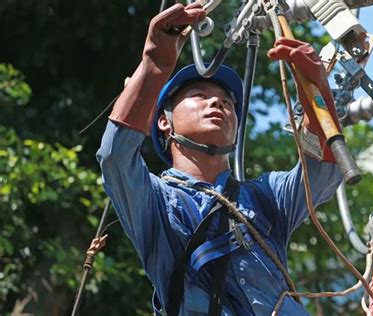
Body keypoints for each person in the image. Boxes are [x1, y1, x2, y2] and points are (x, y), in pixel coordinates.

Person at [97, 2, 342, 315]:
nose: (217, 102)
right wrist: (155, 63)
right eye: (199, 95)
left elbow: (322, 170)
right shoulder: (155, 202)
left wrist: (315, 92)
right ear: (163, 121)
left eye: (227, 101)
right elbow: (115, 157)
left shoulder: (267, 197)